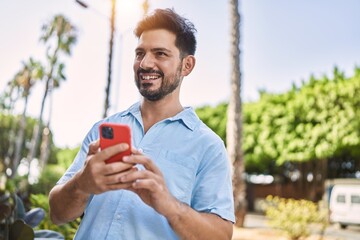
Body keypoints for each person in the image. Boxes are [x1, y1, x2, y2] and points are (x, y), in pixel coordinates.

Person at [49, 8, 235, 239]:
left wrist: (169, 205)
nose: (145, 63)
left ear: (186, 65)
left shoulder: (208, 146)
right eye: (139, 53)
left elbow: (221, 235)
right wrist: (81, 184)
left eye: (160, 54)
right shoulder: (103, 129)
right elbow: (57, 214)